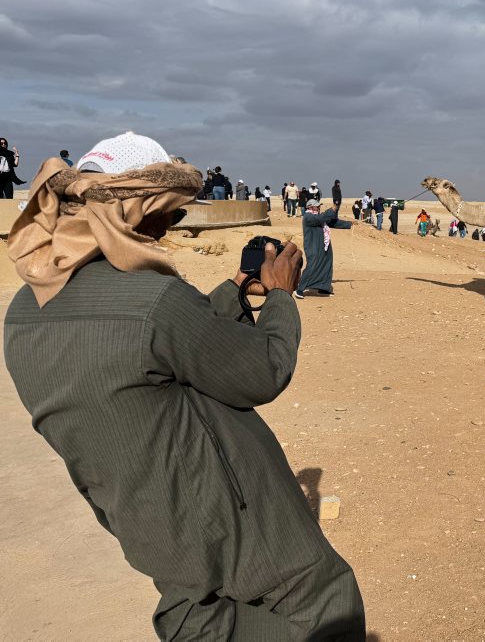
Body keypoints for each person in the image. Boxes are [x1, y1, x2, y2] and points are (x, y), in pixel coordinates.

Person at [4, 132, 365, 639]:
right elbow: (261, 372)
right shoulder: (153, 299)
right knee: (326, 603)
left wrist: (237, 288)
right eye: (170, 215)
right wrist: (281, 295)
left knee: (202, 619)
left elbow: (155, 358)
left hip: (146, 526)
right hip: (230, 526)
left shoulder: (24, 310)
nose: (167, 229)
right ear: (138, 212)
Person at [294, 198, 345, 299]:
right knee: (312, 265)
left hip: (323, 245)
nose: (318, 207)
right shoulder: (308, 216)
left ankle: (323, 288)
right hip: (313, 246)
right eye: (317, 206)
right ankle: (300, 289)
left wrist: (349, 224)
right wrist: (332, 210)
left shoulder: (319, 216)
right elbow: (321, 219)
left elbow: (332, 222)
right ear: (310, 207)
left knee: (326, 264)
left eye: (319, 205)